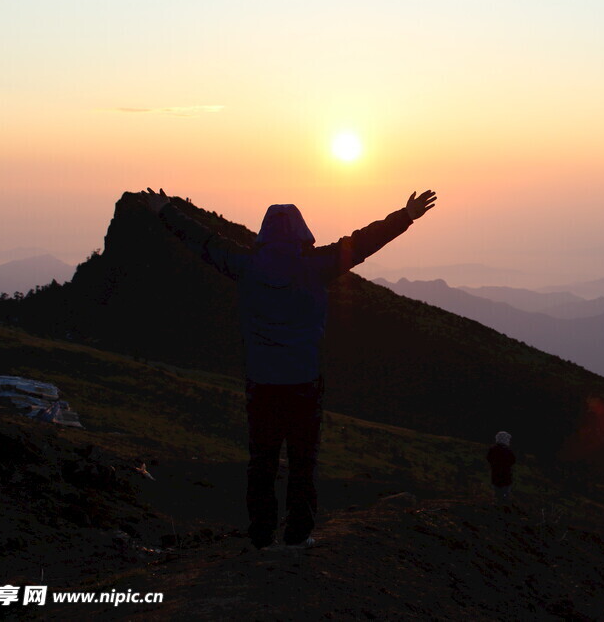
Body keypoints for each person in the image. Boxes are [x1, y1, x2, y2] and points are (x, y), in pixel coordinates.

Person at [140, 187, 437, 548]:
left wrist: (166, 211)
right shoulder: (317, 266)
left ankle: (262, 534)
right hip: (304, 382)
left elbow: (204, 241)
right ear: (302, 231)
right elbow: (362, 243)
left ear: (265, 232)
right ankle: (298, 535)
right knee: (302, 463)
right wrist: (405, 216)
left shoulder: (245, 265)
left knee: (262, 462)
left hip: (261, 383)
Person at [486, 430, 515, 504]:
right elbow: (512, 461)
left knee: (497, 492)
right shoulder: (508, 450)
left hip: (495, 474)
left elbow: (489, 458)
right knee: (505, 493)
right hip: (506, 475)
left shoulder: (493, 449)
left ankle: (498, 504)